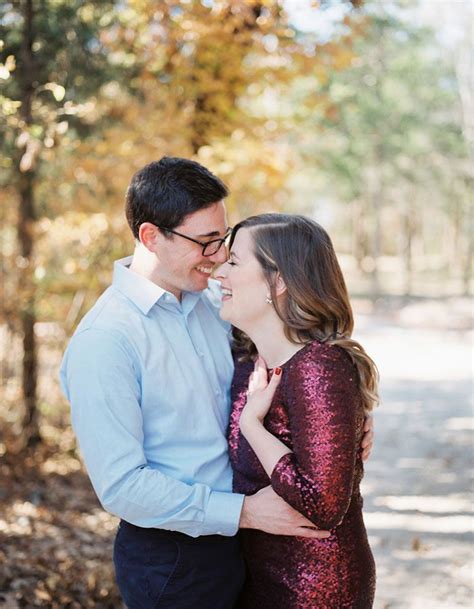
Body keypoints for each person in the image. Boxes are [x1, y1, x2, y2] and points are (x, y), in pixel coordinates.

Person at [60, 157, 374, 609]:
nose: (219, 258)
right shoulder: (106, 341)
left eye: (222, 240)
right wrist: (244, 513)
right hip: (176, 560)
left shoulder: (216, 302)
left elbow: (298, 351)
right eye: (205, 243)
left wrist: (348, 417)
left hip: (253, 546)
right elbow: (123, 486)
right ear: (151, 237)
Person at [216, 213, 378, 609]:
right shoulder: (249, 364)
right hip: (255, 580)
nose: (220, 271)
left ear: (280, 281)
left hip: (315, 589)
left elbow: (322, 505)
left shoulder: (318, 366)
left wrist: (252, 426)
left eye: (234, 262)